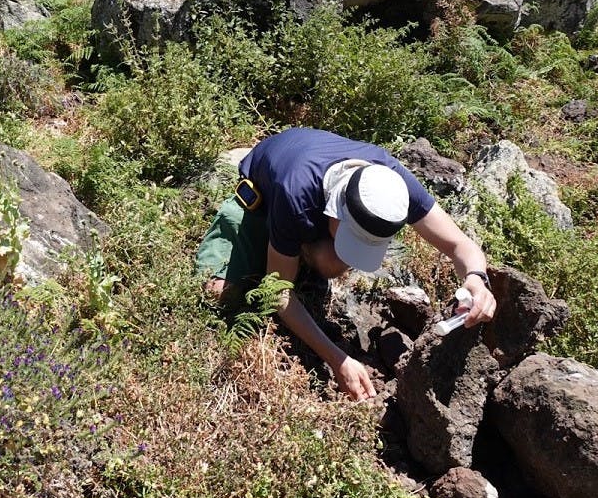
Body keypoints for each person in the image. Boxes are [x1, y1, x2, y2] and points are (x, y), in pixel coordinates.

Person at [197, 127, 496, 401]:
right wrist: (337, 359)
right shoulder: (295, 194)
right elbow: (278, 292)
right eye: (354, 238)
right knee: (219, 292)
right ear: (335, 210)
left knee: (332, 262)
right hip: (261, 200)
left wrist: (477, 279)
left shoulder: (393, 187)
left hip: (307, 208)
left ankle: (293, 254)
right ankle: (280, 251)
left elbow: (460, 245)